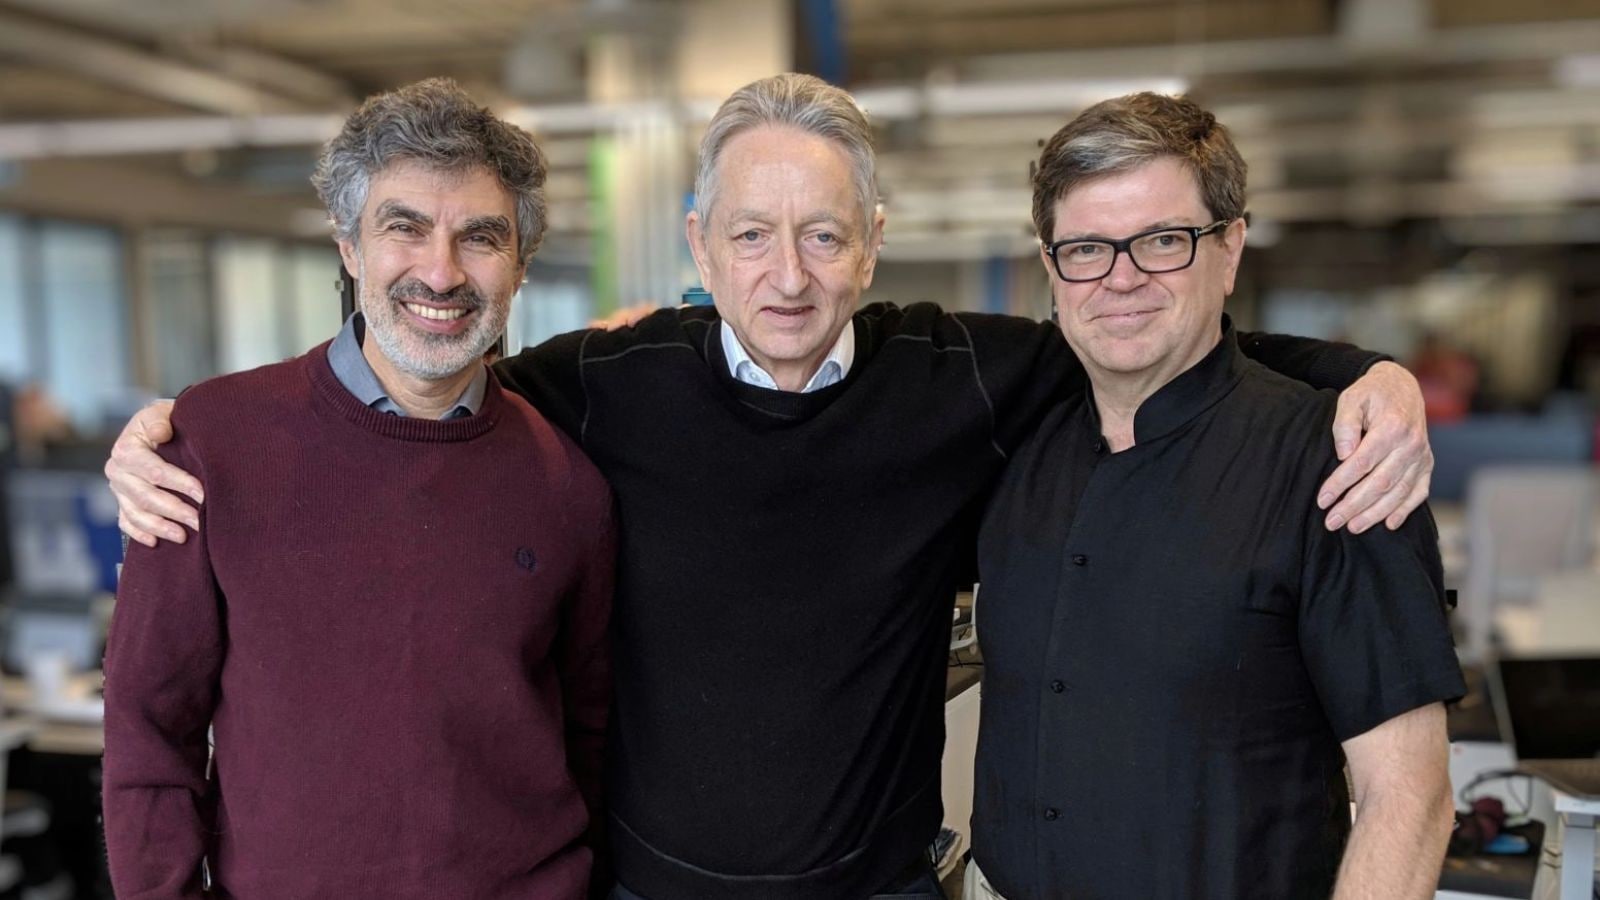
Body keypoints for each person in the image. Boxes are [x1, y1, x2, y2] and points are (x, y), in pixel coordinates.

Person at [107, 74, 1433, 900]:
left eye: (821, 235)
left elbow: (1150, 328)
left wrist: (1366, 374)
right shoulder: (597, 386)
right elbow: (418, 373)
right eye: (749, 234)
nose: (785, 275)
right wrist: (178, 435)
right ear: (700, 243)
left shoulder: (969, 375)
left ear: (871, 247)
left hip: (881, 889)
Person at [101, 79, 615, 899]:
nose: (440, 273)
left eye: (480, 237)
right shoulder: (212, 444)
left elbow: (590, 737)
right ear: (349, 247)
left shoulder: (570, 486)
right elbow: (148, 728)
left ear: (520, 263)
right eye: (403, 229)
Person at [967, 93, 1464, 900]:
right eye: (1087, 248)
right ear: (1052, 267)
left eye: (1163, 242)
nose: (1120, 279)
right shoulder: (1012, 448)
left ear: (1229, 250)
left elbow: (1410, 794)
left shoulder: (1338, 464)